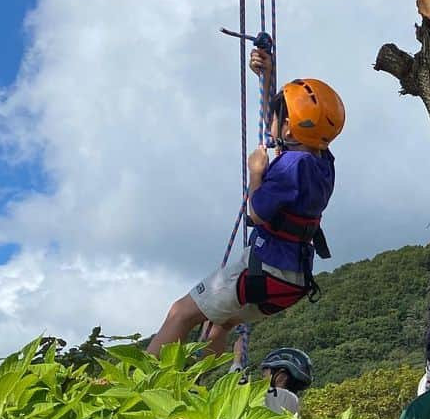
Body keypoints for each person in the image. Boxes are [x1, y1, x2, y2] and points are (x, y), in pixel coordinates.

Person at [147, 46, 344, 357]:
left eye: (277, 118)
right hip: (292, 281)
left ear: (289, 127)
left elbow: (257, 213)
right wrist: (267, 80)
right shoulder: (322, 163)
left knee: (179, 314)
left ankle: (137, 388)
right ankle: (206, 395)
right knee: (217, 324)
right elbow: (291, 127)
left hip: (265, 271)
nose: (270, 124)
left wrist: (256, 174)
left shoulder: (289, 167)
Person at [260, 346, 312, 415]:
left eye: (266, 370)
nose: (263, 375)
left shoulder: (277, 394)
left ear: (282, 376)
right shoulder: (294, 400)